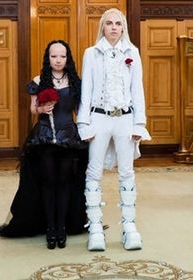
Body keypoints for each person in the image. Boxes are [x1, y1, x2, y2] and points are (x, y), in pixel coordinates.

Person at [0, 40, 88, 250]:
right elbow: (33, 109)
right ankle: (50, 228)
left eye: (62, 56)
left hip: (69, 137)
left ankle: (61, 228)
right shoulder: (38, 80)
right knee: (48, 182)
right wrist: (42, 109)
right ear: (48, 58)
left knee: (64, 182)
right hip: (44, 137)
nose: (58, 60)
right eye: (54, 56)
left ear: (67, 58)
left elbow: (80, 111)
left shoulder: (75, 81)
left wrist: (86, 133)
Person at [77, 8, 151, 251]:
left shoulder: (133, 53)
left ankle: (130, 227)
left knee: (127, 172)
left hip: (125, 119)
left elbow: (137, 90)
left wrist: (139, 122)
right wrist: (84, 123)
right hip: (98, 118)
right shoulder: (91, 53)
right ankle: (95, 228)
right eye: (108, 23)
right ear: (102, 27)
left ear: (123, 27)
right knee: (94, 172)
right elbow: (85, 90)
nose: (113, 28)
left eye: (117, 23)